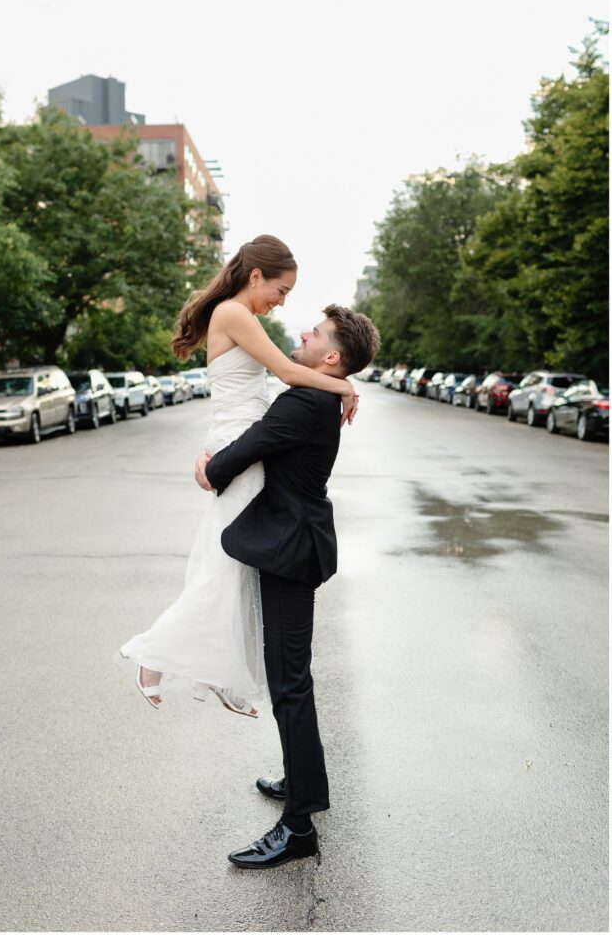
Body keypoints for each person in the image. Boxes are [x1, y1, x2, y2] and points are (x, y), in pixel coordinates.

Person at [118, 236, 358, 716]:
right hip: (238, 446)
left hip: (238, 440)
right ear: (256, 277)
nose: (283, 301)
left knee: (235, 568)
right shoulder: (233, 313)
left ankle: (222, 676)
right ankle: (152, 655)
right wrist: (343, 384)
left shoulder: (238, 315)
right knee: (225, 568)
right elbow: (288, 372)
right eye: (282, 289)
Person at [195, 304, 380, 868]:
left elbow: (239, 455)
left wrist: (209, 465)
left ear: (330, 356)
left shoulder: (304, 402)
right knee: (294, 679)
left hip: (290, 551)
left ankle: (299, 827)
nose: (301, 331)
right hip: (296, 544)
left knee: (289, 684)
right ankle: (308, 786)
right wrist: (343, 383)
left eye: (316, 332)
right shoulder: (321, 394)